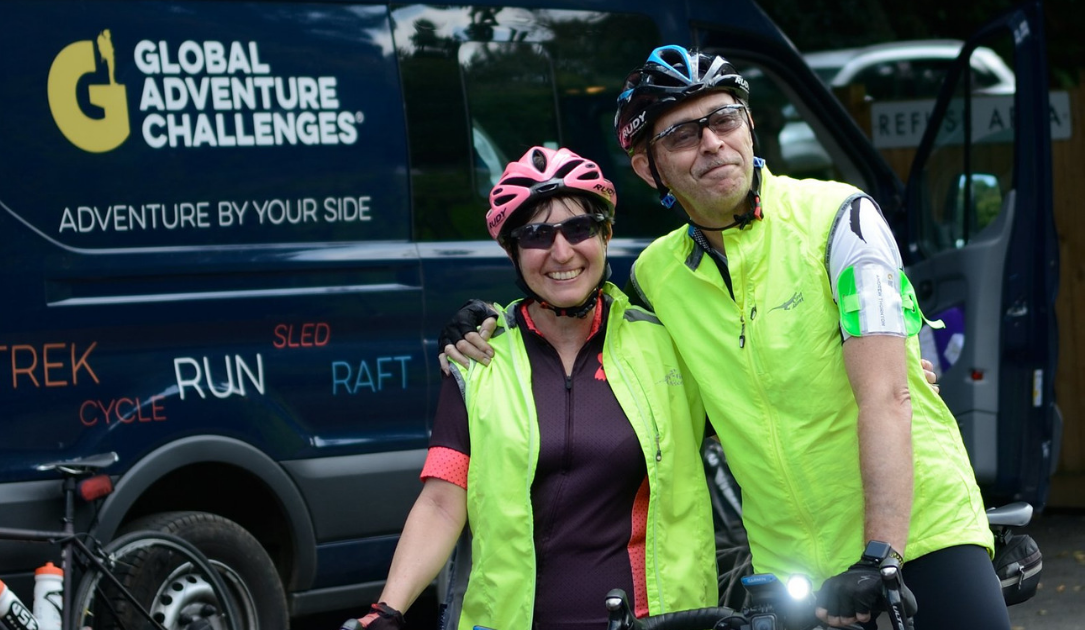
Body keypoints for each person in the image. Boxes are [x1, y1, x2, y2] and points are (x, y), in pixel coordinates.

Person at [442, 46, 1006, 630]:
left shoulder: (839, 218)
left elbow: (888, 396)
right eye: (683, 135)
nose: (712, 143)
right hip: (793, 567)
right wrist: (490, 322)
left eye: (724, 119)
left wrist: (881, 553)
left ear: (749, 125)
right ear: (647, 168)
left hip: (918, 532)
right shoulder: (655, 277)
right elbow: (596, 344)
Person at [346, 146, 717, 630]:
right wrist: (387, 609)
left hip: (655, 620)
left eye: (579, 229)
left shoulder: (667, 341)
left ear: (606, 234)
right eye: (537, 235)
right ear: (512, 251)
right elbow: (441, 502)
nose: (561, 253)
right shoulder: (478, 358)